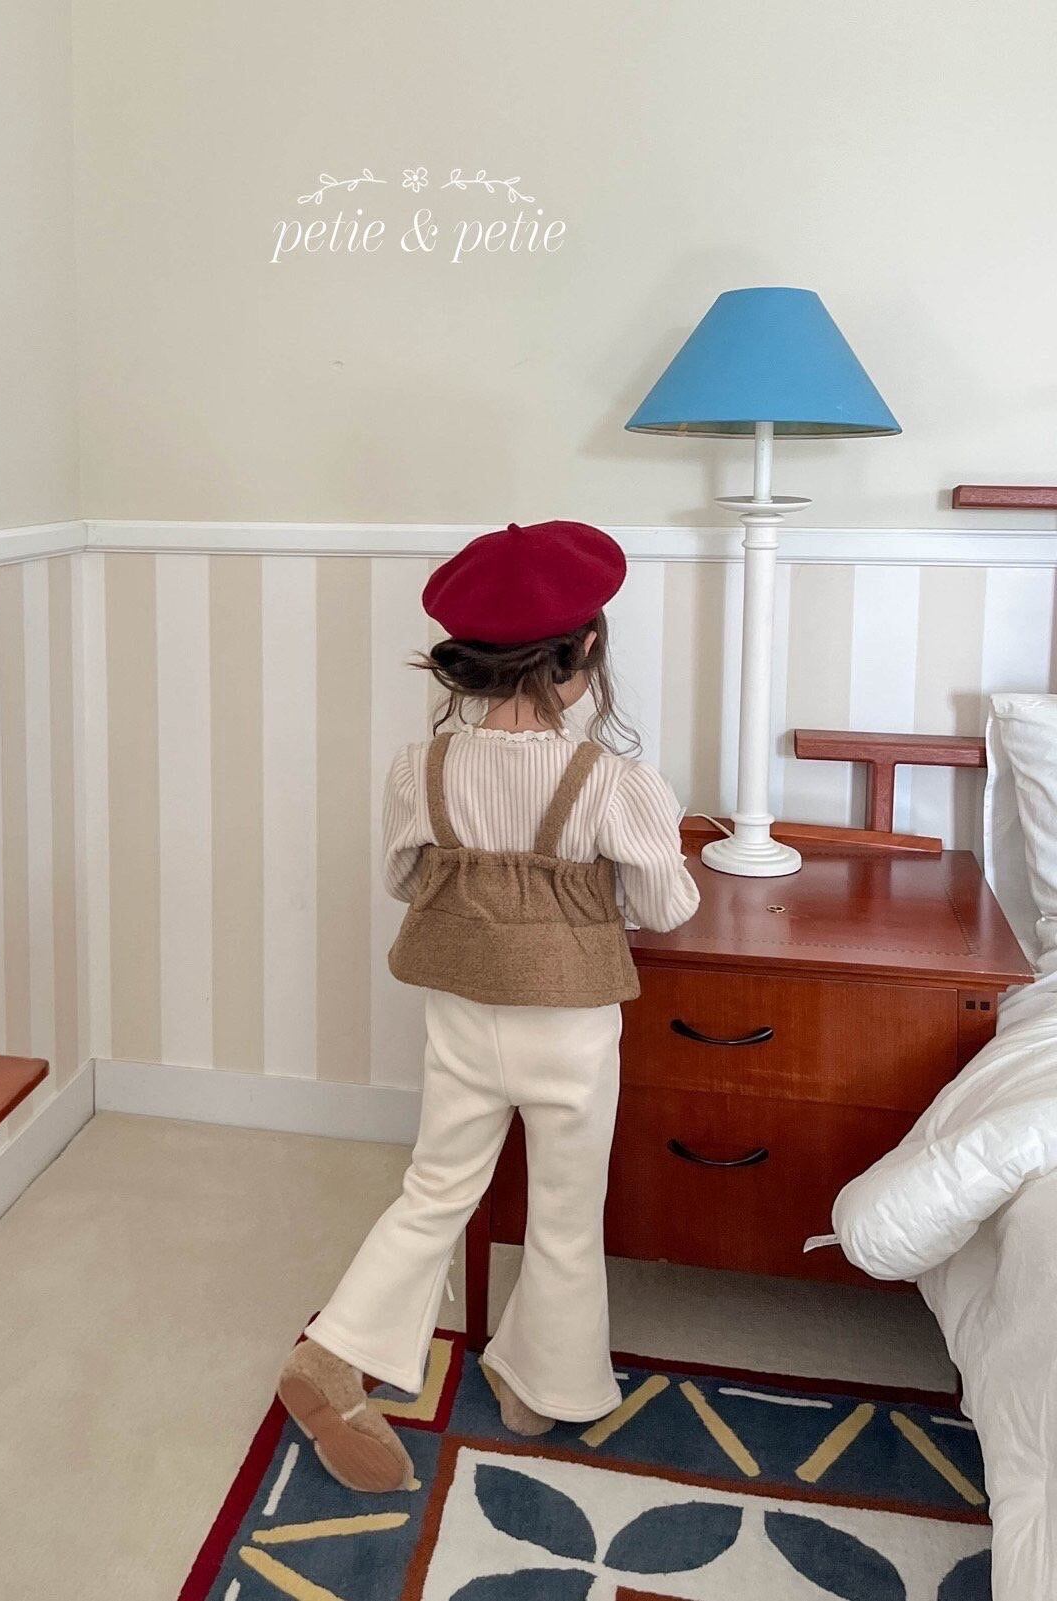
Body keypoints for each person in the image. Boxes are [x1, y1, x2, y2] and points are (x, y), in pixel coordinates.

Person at [276, 520, 700, 1493]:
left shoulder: (417, 767)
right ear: (583, 651)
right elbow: (667, 905)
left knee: (435, 1186)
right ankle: (535, 1383)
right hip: (571, 1027)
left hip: (463, 1014)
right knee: (564, 1208)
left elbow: (402, 880)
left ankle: (335, 1351)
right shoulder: (613, 782)